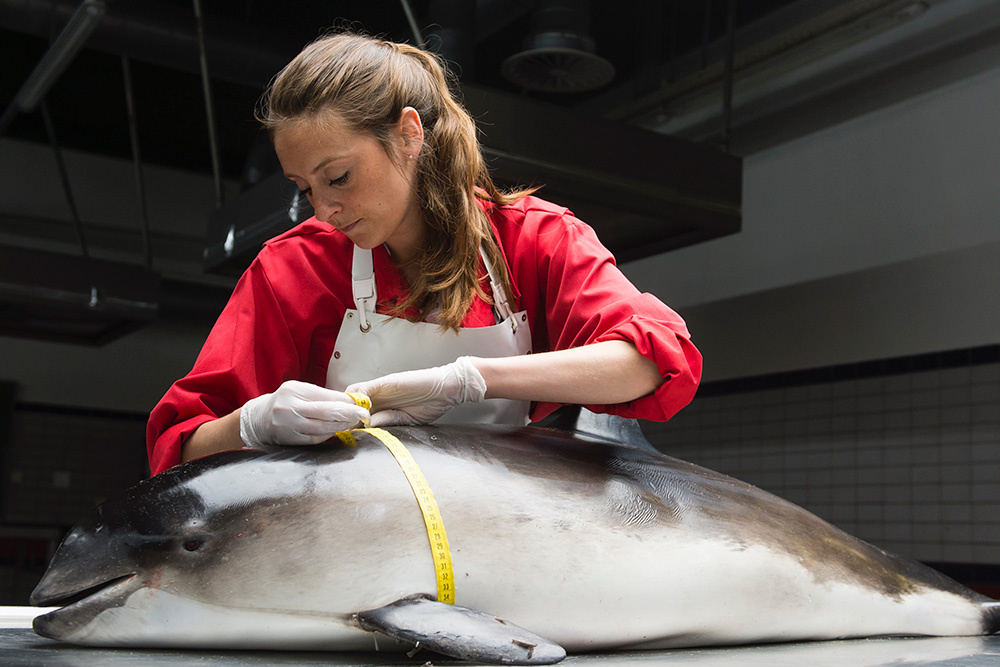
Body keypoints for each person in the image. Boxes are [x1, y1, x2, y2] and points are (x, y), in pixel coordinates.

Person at [146, 31, 702, 476]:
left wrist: (470, 379)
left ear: (409, 134)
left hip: (501, 531)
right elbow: (180, 449)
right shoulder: (292, 269)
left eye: (338, 176)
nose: (324, 209)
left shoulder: (535, 240)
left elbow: (653, 363)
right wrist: (252, 424)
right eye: (305, 188)